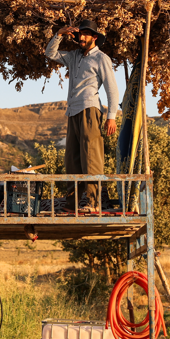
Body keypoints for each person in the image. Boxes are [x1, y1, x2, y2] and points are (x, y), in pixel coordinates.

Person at [45, 19, 119, 213]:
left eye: (86, 35)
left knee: (91, 156)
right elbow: (50, 53)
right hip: (72, 111)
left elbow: (112, 89)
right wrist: (59, 34)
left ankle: (93, 203)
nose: (81, 38)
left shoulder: (101, 58)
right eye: (79, 35)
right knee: (72, 158)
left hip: (90, 109)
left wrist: (111, 116)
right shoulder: (74, 56)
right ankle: (72, 204)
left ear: (94, 37)